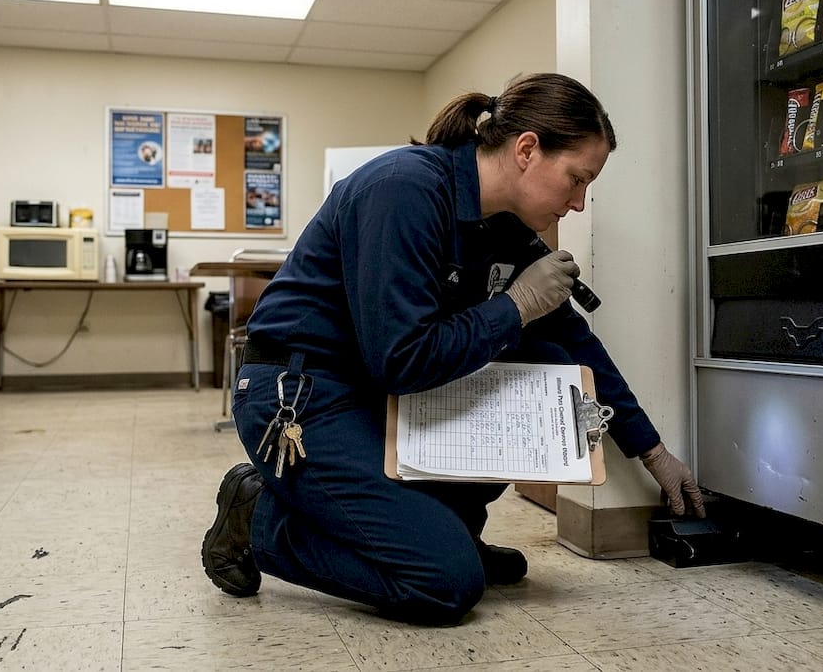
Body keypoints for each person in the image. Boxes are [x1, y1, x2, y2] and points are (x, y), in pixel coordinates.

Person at [201, 72, 706, 626]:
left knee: (550, 366)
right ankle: (260, 519)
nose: (579, 203)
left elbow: (573, 341)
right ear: (527, 150)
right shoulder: (404, 189)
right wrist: (513, 307)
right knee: (443, 582)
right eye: (576, 180)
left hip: (373, 394)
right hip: (300, 397)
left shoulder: (504, 228)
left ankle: (454, 532)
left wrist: (652, 451)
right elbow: (400, 359)